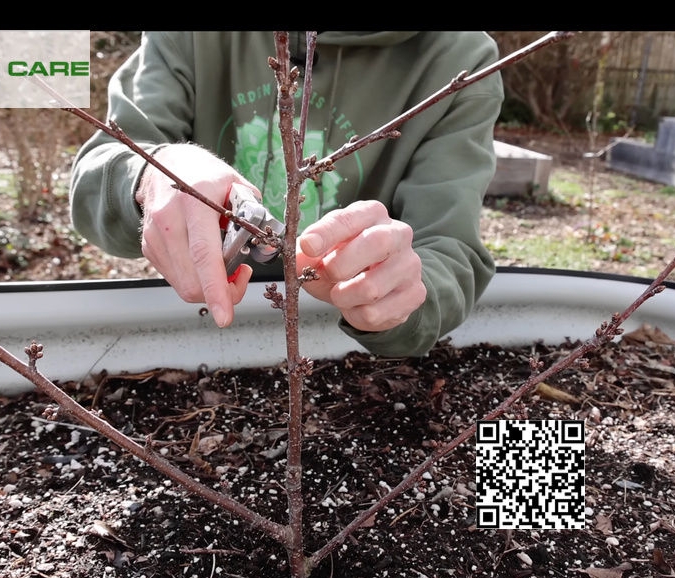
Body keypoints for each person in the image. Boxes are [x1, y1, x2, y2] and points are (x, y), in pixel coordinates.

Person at [70, 31, 503, 357]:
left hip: (341, 342)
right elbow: (103, 165)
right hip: (189, 329)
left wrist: (403, 297)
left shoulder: (461, 58)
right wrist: (154, 175)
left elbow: (449, 249)